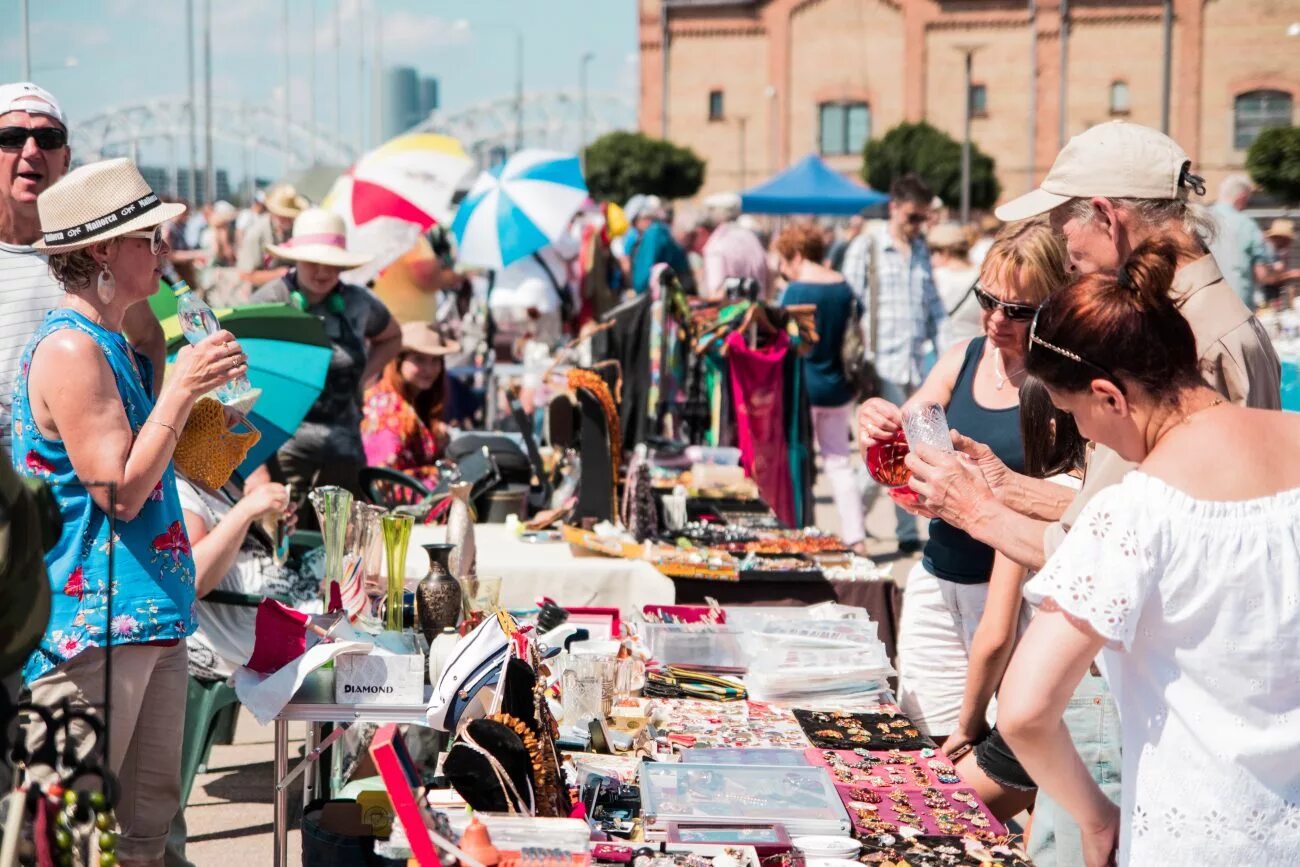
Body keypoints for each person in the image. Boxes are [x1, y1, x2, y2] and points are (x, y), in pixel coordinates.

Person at [995, 239, 1300, 866]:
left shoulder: (1138, 512)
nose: (1081, 433)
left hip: (1195, 837)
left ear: (1108, 396)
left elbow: (1025, 710)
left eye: (1073, 412)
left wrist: (1094, 816)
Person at [906, 120, 1281, 574]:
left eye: (1064, 234)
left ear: (1106, 216)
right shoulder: (1209, 316)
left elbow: (1108, 549)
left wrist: (973, 510)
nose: (1066, 260)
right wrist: (1007, 487)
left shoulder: (1179, 340)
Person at [14, 157, 246, 867]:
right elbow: (117, 492)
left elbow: (138, 473)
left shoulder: (112, 343)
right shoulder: (71, 346)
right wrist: (177, 393)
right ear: (100, 253)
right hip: (95, 630)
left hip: (146, 617)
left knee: (145, 835)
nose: (164, 249)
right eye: (148, 236)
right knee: (75, 843)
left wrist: (204, 433)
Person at [857, 220, 1069, 739]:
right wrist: (873, 419)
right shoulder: (964, 358)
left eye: (1018, 311)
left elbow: (1069, 497)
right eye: (988, 299)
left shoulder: (1060, 386)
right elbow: (902, 446)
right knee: (925, 735)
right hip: (937, 578)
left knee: (1010, 752)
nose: (996, 318)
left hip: (1012, 594)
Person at [947, 375, 1089, 821]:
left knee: (942, 813)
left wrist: (968, 725)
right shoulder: (1104, 495)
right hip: (1095, 712)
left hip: (1039, 715)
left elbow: (995, 635)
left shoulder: (1027, 501)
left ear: (1046, 428)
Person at [0, 82, 165, 460]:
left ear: (66, 157)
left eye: (48, 138)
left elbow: (148, 337)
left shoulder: (93, 252)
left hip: (84, 476)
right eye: (10, 138)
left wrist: (145, 424)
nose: (31, 151)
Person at [249, 208, 401, 509]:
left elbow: (392, 337)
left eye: (331, 264)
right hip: (285, 452)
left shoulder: (359, 302)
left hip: (345, 451)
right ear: (295, 259)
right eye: (313, 262)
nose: (322, 272)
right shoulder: (268, 301)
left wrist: (363, 378)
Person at [843, 173, 945, 554]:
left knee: (911, 451)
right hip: (879, 364)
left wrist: (952, 356)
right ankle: (851, 517)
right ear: (894, 208)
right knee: (882, 450)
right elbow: (848, 307)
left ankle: (906, 532)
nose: (918, 225)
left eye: (923, 218)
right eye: (912, 217)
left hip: (916, 365)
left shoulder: (919, 251)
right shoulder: (867, 248)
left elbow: (934, 308)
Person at [775, 223, 866, 555]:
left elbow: (783, 338)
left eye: (783, 264)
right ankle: (856, 537)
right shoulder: (843, 287)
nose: (783, 273)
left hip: (802, 387)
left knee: (798, 461)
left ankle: (798, 531)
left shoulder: (796, 292)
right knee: (839, 463)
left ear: (796, 256)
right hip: (839, 386)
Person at [362, 322, 459, 488]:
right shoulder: (388, 409)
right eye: (419, 359)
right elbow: (382, 480)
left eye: (435, 360)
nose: (429, 369)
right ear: (398, 362)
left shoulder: (416, 401)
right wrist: (436, 474)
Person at [1206, 174, 1274, 308]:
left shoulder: (1200, 219)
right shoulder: (1247, 225)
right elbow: (1262, 274)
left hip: (1204, 302)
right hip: (1238, 305)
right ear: (1242, 197)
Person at [235, 183, 306, 290]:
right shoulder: (256, 233)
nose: (288, 219)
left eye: (291, 215)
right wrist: (279, 274)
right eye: (283, 215)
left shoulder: (295, 229)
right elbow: (245, 275)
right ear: (273, 212)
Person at [701, 192, 768, 300]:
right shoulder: (752, 238)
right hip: (759, 312)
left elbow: (716, 293)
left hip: (732, 313)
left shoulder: (717, 244)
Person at [928, 221, 983, 351]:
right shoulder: (983, 276)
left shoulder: (936, 277)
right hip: (973, 352)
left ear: (944, 252)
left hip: (939, 352)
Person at [626, 195, 692, 294]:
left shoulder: (654, 233)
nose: (635, 228)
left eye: (634, 222)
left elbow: (642, 279)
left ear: (642, 218)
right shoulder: (662, 229)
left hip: (670, 293)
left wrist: (638, 291)